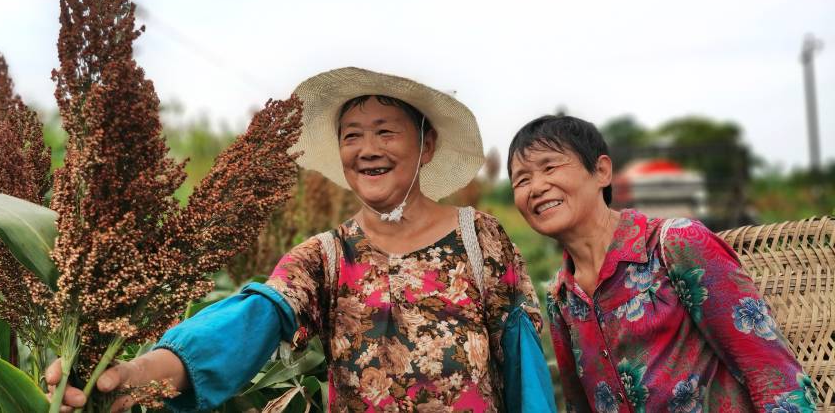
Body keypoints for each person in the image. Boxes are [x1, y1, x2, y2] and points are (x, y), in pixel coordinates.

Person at [47, 67, 556, 412]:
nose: (366, 148)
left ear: (427, 146)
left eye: (386, 132)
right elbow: (246, 324)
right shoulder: (324, 257)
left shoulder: (478, 237)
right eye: (351, 134)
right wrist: (138, 372)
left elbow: (523, 361)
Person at [507, 115, 818, 412]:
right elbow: (580, 405)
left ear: (601, 171)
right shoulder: (561, 295)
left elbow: (770, 371)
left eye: (549, 167)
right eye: (521, 180)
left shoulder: (676, 244)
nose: (536, 187)